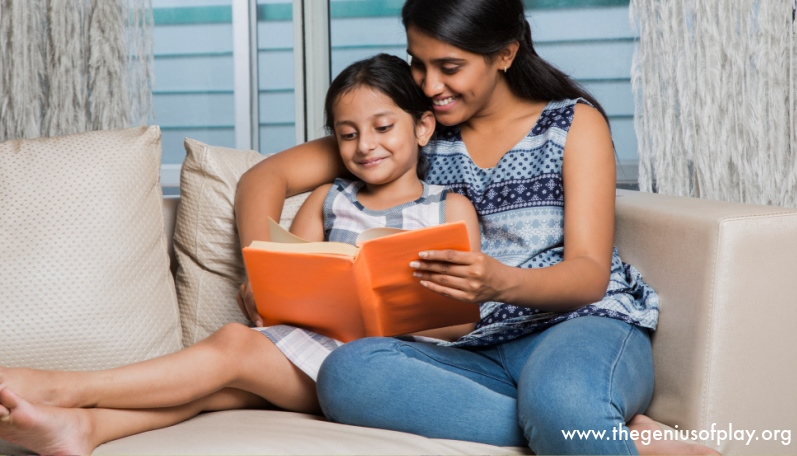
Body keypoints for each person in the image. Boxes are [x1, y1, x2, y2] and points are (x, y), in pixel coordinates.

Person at [233, 1, 720, 455]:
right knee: (345, 372)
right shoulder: (416, 128)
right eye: (417, 64)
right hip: (473, 351)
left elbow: (589, 274)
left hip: (580, 327)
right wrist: (263, 274)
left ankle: (570, 414)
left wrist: (499, 282)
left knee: (562, 402)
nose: (427, 84)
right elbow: (263, 178)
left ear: (505, 53)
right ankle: (602, 429)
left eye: (449, 67)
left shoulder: (571, 124)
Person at [0, 53, 480, 455]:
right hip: (313, 349)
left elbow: (465, 318)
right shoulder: (326, 199)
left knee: (233, 346)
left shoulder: (448, 208)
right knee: (218, 387)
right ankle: (85, 428)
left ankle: (66, 388)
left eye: (382, 127)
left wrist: (390, 311)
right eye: (348, 133)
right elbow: (288, 279)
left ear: (422, 128)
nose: (365, 144)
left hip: (388, 367)